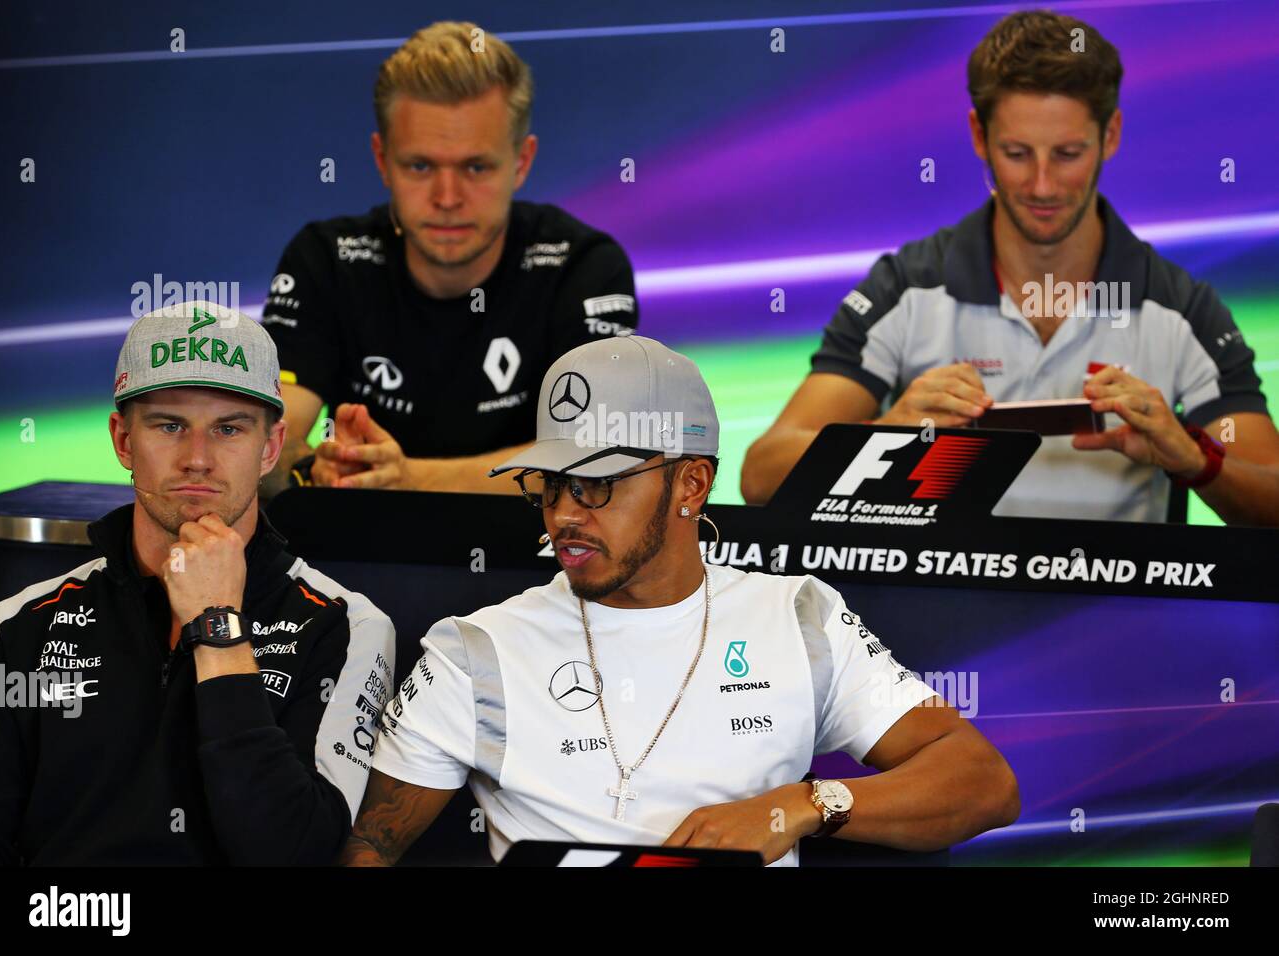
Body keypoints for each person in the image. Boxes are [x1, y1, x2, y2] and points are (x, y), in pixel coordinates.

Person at [340, 333, 1018, 866]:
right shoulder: (473, 651)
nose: (564, 515)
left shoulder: (798, 616)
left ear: (691, 484)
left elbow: (984, 781)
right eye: (549, 483)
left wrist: (802, 805)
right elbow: (370, 848)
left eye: (597, 484)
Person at [741, 10, 1279, 525]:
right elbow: (761, 475)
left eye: (1068, 153)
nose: (1042, 185)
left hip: (1125, 620)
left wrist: (1194, 460)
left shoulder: (1181, 307)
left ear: (1110, 135)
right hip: (941, 613)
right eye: (1018, 153)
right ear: (979, 136)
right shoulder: (905, 287)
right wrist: (888, 431)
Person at [0, 301, 396, 865]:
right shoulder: (20, 624)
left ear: (270, 448)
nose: (197, 459)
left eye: (229, 428)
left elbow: (293, 854)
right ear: (123, 440)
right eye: (169, 425)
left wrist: (217, 628)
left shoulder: (347, 627)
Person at [261, 21, 638, 497]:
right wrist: (319, 469)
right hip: (359, 557)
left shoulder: (584, 267)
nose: (447, 197)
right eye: (420, 166)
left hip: (544, 559)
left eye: (475, 167)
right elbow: (267, 435)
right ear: (382, 160)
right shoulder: (324, 260)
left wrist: (406, 479)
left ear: (522, 162)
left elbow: (598, 455)